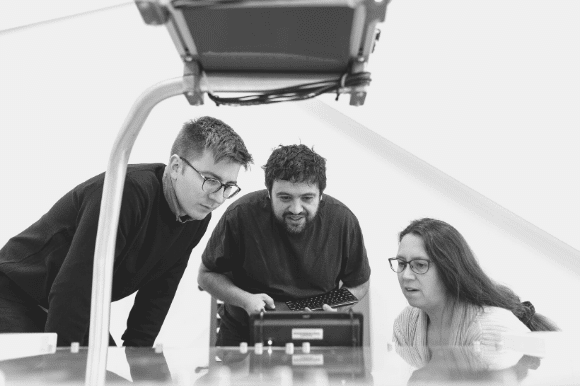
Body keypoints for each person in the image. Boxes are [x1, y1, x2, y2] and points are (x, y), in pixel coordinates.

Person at [0, 116, 253, 347]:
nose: (218, 197)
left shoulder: (196, 214)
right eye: (210, 180)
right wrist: (64, 369)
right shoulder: (128, 194)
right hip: (16, 291)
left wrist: (139, 358)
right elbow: (74, 285)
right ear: (176, 167)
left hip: (69, 304)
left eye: (228, 186)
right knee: (44, 374)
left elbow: (158, 295)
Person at [198, 144, 371, 346]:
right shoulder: (240, 215)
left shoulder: (342, 220)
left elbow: (359, 283)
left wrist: (335, 309)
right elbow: (206, 275)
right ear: (269, 193)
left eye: (307, 198)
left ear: (321, 195)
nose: (296, 209)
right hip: (246, 332)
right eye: (285, 197)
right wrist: (245, 300)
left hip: (317, 331)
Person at [391, 218, 558, 361]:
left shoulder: (491, 330)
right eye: (401, 263)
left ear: (448, 269)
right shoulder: (406, 324)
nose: (406, 275)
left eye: (419, 265)